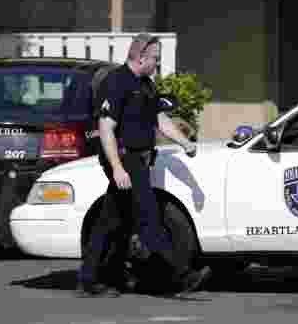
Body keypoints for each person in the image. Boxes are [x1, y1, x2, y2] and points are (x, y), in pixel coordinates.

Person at [77, 33, 212, 297]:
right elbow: (106, 128)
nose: (158, 64)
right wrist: (117, 168)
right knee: (148, 215)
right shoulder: (117, 82)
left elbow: (160, 120)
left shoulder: (146, 84)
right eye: (155, 59)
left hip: (139, 159)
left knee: (111, 220)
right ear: (140, 57)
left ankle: (91, 277)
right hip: (125, 159)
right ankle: (180, 276)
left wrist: (186, 143)